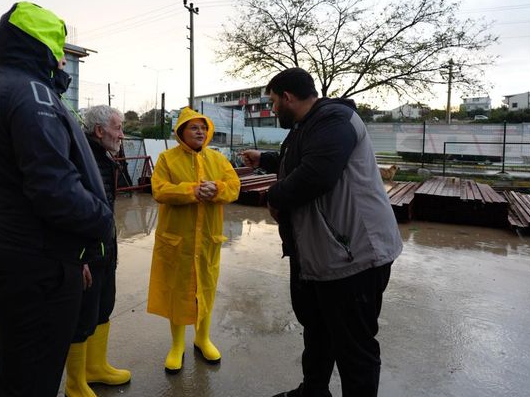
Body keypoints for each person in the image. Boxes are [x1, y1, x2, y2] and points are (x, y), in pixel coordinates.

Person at [0, 1, 113, 397]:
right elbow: (54, 188)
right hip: (37, 263)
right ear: (43, 47)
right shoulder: (33, 94)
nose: (64, 60)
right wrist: (101, 224)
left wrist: (74, 254)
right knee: (35, 375)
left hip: (21, 251)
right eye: (59, 49)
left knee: (17, 364)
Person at [240, 68, 402, 397]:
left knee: (354, 347)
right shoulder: (307, 125)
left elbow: (316, 174)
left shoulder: (334, 120)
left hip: (352, 253)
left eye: (273, 103)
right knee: (317, 332)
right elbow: (301, 157)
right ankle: (313, 392)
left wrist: (272, 197)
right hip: (319, 255)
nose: (273, 110)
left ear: (288, 97)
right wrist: (268, 159)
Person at [146, 106, 241, 374]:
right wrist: (193, 191)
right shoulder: (167, 158)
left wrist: (218, 189)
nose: (200, 132)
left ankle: (202, 338)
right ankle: (177, 346)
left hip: (208, 239)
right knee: (178, 290)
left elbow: (234, 186)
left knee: (205, 290)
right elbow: (159, 190)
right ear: (181, 132)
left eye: (203, 128)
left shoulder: (218, 160)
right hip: (178, 240)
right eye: (193, 127)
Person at [64, 105, 131, 397]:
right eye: (117, 128)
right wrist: (80, 258)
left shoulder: (104, 157)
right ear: (100, 131)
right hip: (87, 254)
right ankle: (75, 383)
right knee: (82, 317)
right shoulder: (82, 157)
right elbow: (71, 211)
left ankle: (96, 368)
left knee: (103, 308)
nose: (122, 135)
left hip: (105, 249)